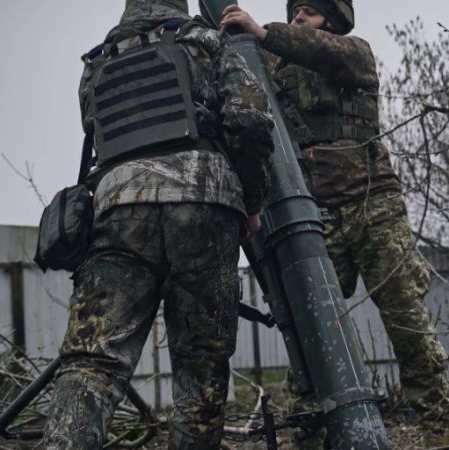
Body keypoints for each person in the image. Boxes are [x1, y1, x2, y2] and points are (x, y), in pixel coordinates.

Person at [41, 0, 273, 448]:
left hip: (117, 211)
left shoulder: (96, 62)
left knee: (92, 360)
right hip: (205, 204)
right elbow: (251, 120)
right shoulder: (208, 42)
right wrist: (252, 201)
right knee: (201, 362)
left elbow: (97, 134)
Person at [220, 0, 449, 437]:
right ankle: (311, 430)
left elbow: (324, 52)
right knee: (313, 326)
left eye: (307, 12)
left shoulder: (353, 53)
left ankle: (439, 425)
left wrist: (263, 30)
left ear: (331, 19)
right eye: (295, 11)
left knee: (407, 319)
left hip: (375, 206)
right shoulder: (274, 65)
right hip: (317, 216)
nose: (297, 18)